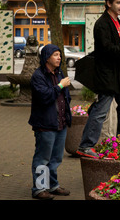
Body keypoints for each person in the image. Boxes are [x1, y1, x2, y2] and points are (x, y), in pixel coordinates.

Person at [77, 0, 120, 158]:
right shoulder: (102, 24)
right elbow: (108, 49)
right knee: (101, 110)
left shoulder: (118, 22)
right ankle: (86, 145)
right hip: (108, 76)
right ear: (108, 3)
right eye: (118, 3)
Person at [29, 44, 72, 200]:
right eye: (55, 55)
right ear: (47, 57)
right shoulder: (38, 76)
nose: (59, 57)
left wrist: (67, 116)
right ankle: (39, 189)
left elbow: (65, 97)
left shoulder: (59, 73)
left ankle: (52, 186)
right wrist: (60, 86)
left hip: (60, 123)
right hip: (45, 124)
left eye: (59, 55)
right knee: (42, 158)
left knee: (55, 158)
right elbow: (45, 96)